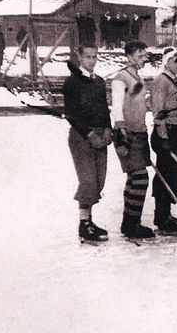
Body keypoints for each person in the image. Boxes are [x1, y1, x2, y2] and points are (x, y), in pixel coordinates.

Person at [62, 42, 112, 242]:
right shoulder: (72, 82)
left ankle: (89, 220)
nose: (92, 61)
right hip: (82, 137)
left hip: (101, 134)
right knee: (88, 181)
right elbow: (71, 114)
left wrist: (107, 130)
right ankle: (84, 224)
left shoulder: (98, 81)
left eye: (94, 57)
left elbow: (104, 109)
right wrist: (91, 135)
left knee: (99, 181)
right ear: (80, 58)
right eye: (88, 57)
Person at [111, 40, 155, 239]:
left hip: (140, 131)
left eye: (144, 55)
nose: (143, 59)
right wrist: (121, 133)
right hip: (127, 132)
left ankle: (130, 222)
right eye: (139, 55)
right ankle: (131, 223)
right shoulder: (121, 78)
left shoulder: (137, 77)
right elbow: (117, 106)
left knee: (134, 178)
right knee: (140, 178)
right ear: (128, 57)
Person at [150, 48, 177, 235]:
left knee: (174, 175)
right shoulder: (161, 81)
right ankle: (162, 218)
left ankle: (165, 213)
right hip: (164, 133)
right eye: (176, 61)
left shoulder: (171, 80)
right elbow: (157, 112)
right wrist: (163, 137)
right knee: (166, 176)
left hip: (173, 132)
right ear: (166, 62)